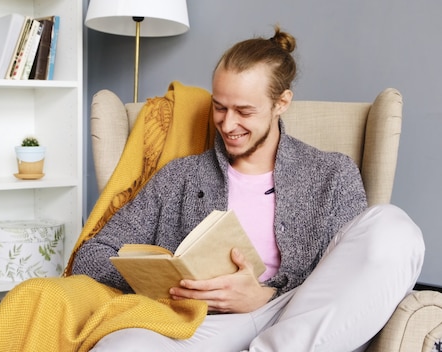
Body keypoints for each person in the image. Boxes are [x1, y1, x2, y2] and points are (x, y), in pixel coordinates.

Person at [71, 26, 425, 351]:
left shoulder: (332, 174)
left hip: (293, 318)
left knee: (394, 227)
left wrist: (265, 295)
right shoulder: (179, 176)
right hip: (197, 325)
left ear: (281, 103)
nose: (228, 124)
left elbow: (351, 277)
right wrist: (173, 285)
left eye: (244, 111)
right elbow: (90, 256)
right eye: (219, 107)